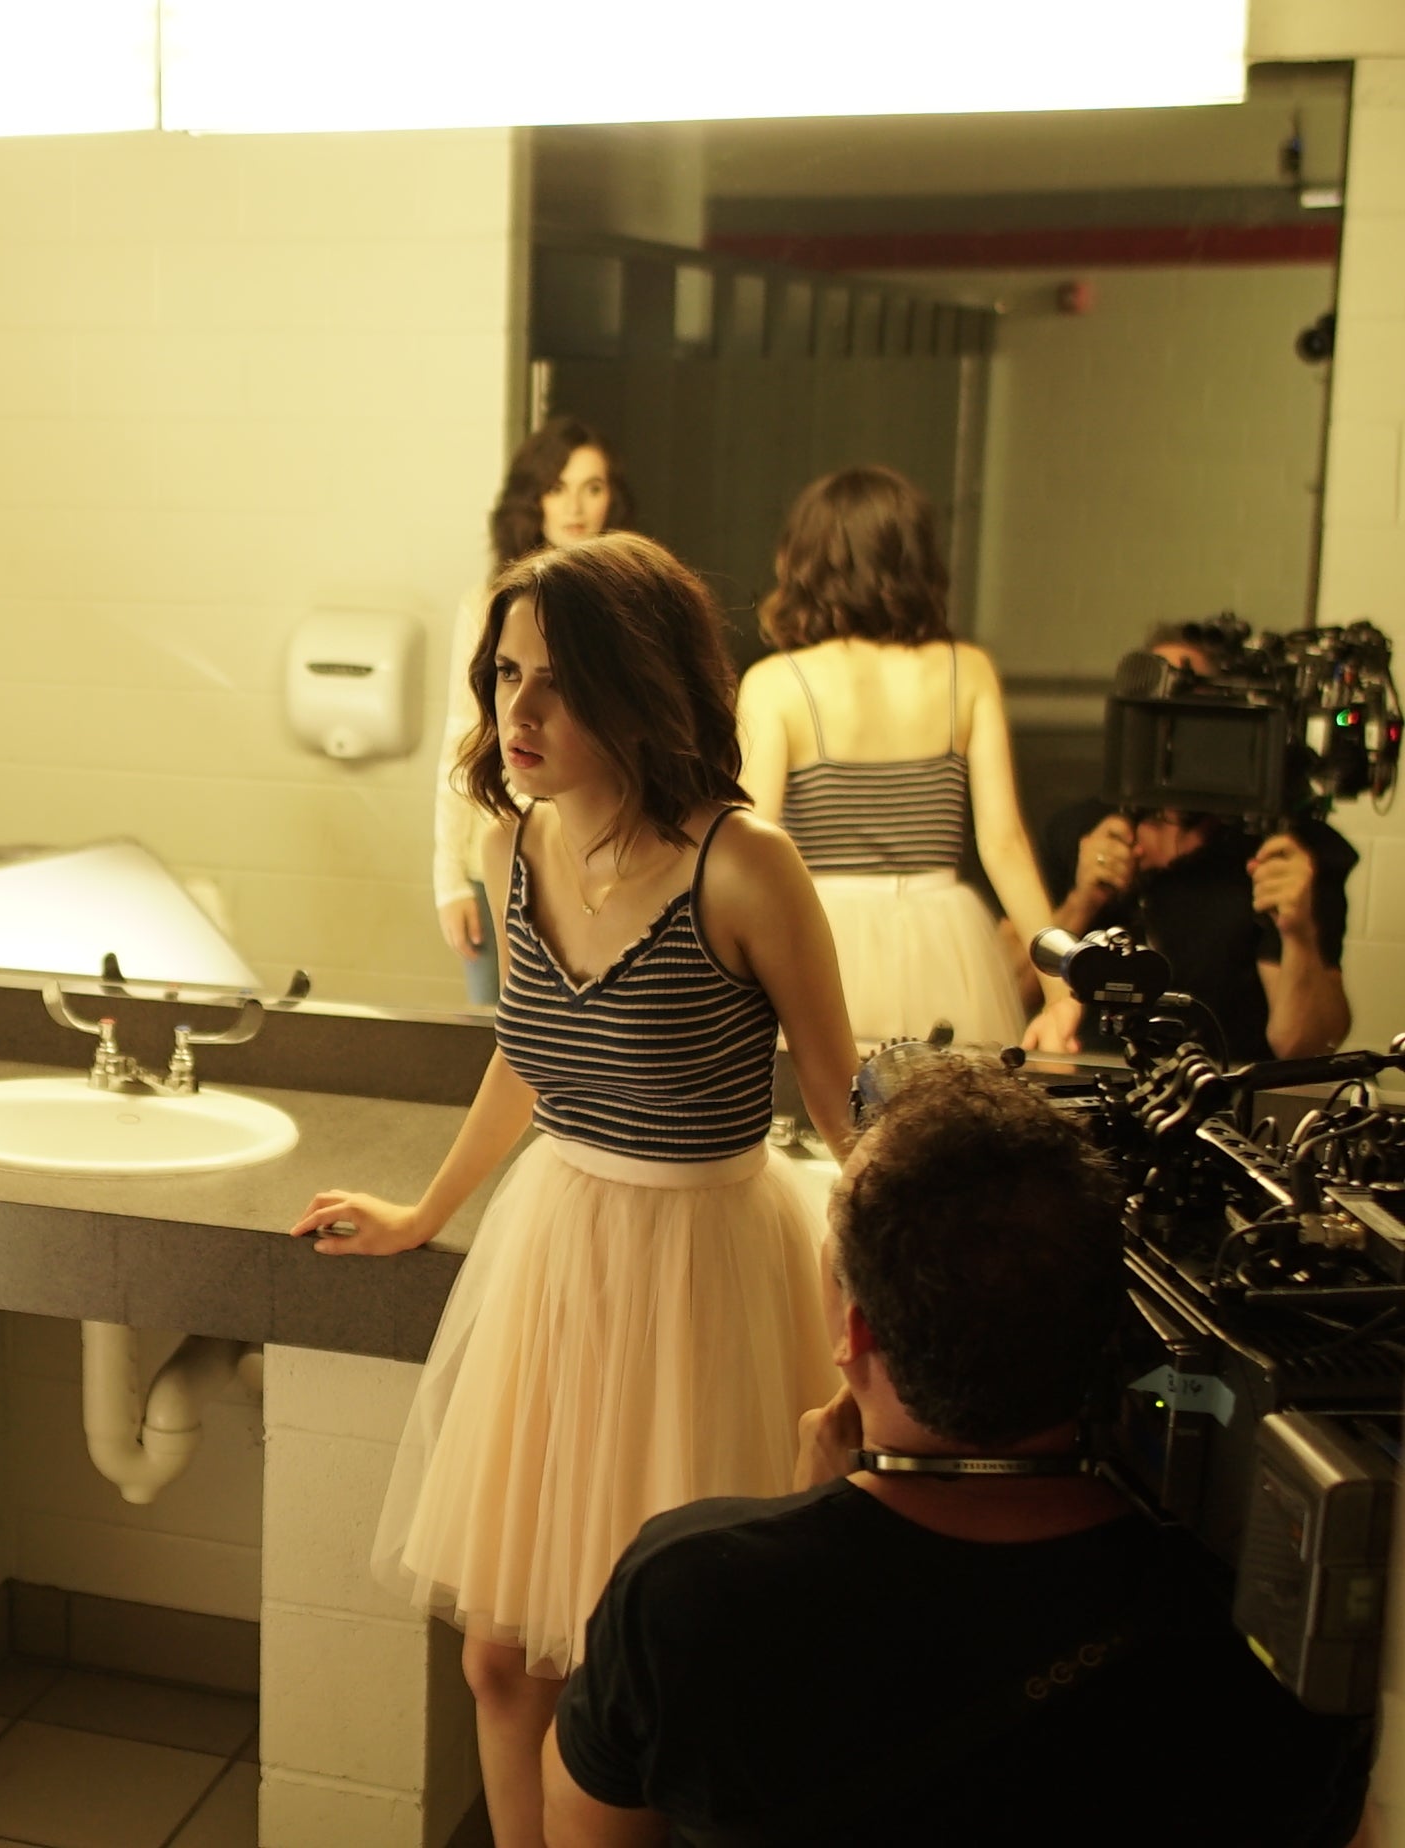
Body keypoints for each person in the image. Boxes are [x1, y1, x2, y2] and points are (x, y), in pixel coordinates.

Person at [298, 533, 858, 1848]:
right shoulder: (516, 845)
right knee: (501, 1661)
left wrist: (874, 1330)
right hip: (556, 1257)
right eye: (506, 676)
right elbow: (529, 1053)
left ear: (641, 686)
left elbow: (846, 1114)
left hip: (700, 1280)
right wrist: (425, 1213)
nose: (520, 710)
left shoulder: (743, 865)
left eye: (557, 681)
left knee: (650, 1675)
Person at [547, 1059, 1373, 1847]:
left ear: (856, 1330)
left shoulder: (687, 1591)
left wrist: (802, 1528)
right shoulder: (1270, 1640)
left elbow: (582, 1831)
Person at [737, 466, 1061, 1046]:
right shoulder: (968, 670)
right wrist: (1063, 991)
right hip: (947, 941)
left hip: (824, 937)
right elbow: (1004, 844)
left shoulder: (777, 683)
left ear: (806, 560)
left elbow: (752, 849)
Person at [1026, 626, 1356, 1061]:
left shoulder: (1286, 851)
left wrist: (1298, 932)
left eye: (1189, 707)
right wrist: (1081, 901)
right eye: (1153, 709)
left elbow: (1302, 1044)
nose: (1169, 730)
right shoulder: (1078, 831)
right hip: (1091, 1083)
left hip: (1224, 1090)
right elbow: (1013, 988)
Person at [436, 419, 635, 1007]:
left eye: (592, 487)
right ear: (533, 499)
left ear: (612, 499)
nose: (575, 506)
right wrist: (448, 880)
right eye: (556, 487)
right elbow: (463, 738)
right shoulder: (488, 606)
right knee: (504, 1026)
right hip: (499, 847)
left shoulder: (631, 606)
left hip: (604, 853)